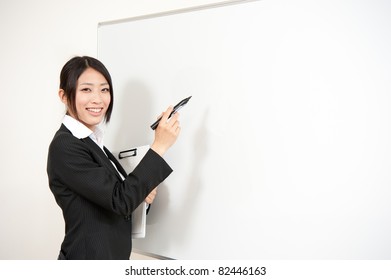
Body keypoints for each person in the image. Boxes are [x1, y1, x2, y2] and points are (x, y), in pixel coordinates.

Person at [47, 56, 181, 260]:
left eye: (104, 89)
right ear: (64, 96)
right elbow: (120, 201)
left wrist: (141, 198)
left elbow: (117, 206)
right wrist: (159, 146)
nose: (98, 99)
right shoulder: (65, 145)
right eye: (86, 89)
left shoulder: (93, 142)